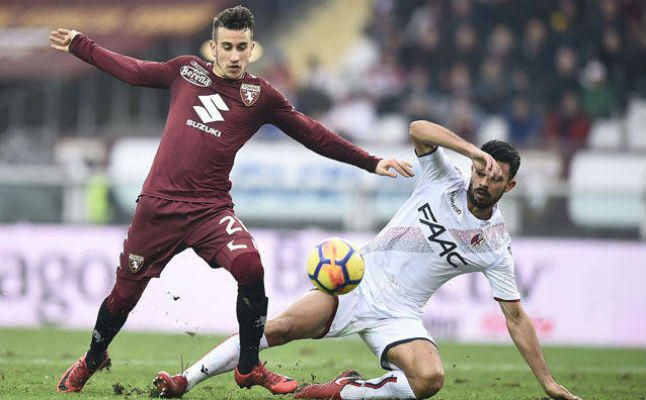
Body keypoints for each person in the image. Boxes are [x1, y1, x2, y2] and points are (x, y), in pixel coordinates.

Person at [49, 6, 414, 395]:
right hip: (159, 208)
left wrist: (370, 161)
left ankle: (249, 366)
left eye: (242, 47)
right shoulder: (185, 71)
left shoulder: (260, 96)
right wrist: (81, 45)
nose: (235, 55)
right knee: (123, 296)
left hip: (210, 210)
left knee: (250, 267)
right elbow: (134, 71)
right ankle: (93, 357)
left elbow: (311, 132)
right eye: (228, 47)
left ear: (252, 48)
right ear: (213, 47)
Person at [153, 120, 581, 400]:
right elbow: (418, 128)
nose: (485, 181)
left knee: (430, 380)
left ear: (510, 186)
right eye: (482, 171)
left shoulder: (494, 244)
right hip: (355, 284)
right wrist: (470, 150)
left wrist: (547, 382)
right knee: (276, 328)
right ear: (472, 167)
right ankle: (184, 381)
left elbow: (515, 316)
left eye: (496, 178)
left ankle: (345, 391)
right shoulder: (442, 178)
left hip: (401, 314)